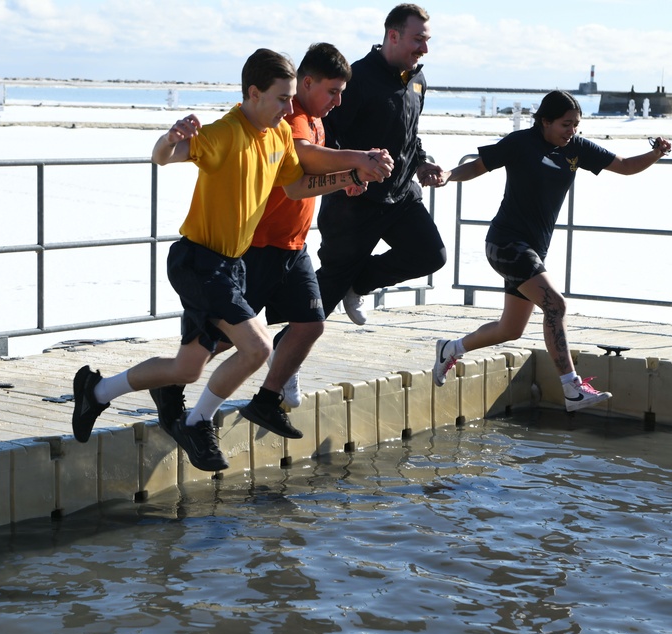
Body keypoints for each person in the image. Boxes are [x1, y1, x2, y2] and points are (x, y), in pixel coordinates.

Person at [70, 48, 387, 471]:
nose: (289, 108)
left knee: (186, 369)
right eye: (281, 98)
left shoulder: (278, 134)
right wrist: (169, 139)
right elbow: (162, 157)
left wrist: (350, 176)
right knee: (256, 347)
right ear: (253, 94)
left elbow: (296, 188)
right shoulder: (225, 132)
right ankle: (197, 423)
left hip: (232, 266)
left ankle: (95, 391)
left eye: (291, 98)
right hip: (198, 261)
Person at [150, 42, 394, 442]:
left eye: (342, 93)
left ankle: (265, 399)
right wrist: (357, 160)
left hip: (294, 245)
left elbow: (300, 183)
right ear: (307, 83)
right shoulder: (288, 118)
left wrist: (350, 177)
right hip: (259, 245)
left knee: (309, 324)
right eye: (332, 91)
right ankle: (173, 386)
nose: (337, 101)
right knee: (225, 340)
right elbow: (306, 156)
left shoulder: (308, 120)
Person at [431, 90, 672, 411]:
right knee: (555, 305)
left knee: (510, 329)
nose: (571, 130)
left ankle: (450, 348)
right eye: (565, 124)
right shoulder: (521, 142)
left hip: (533, 250)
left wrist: (656, 153)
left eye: (576, 125)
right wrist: (448, 175)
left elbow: (626, 166)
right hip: (506, 243)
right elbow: (477, 166)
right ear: (545, 121)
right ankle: (572, 387)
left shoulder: (577, 148)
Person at [315, 3, 447, 326]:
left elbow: (408, 133)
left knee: (430, 254)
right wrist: (348, 175)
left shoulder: (418, 80)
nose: (425, 49)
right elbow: (328, 135)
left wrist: (421, 163)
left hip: (400, 195)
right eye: (418, 40)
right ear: (393, 35)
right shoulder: (357, 78)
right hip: (355, 201)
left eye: (427, 40)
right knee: (324, 296)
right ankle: (272, 351)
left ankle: (359, 284)